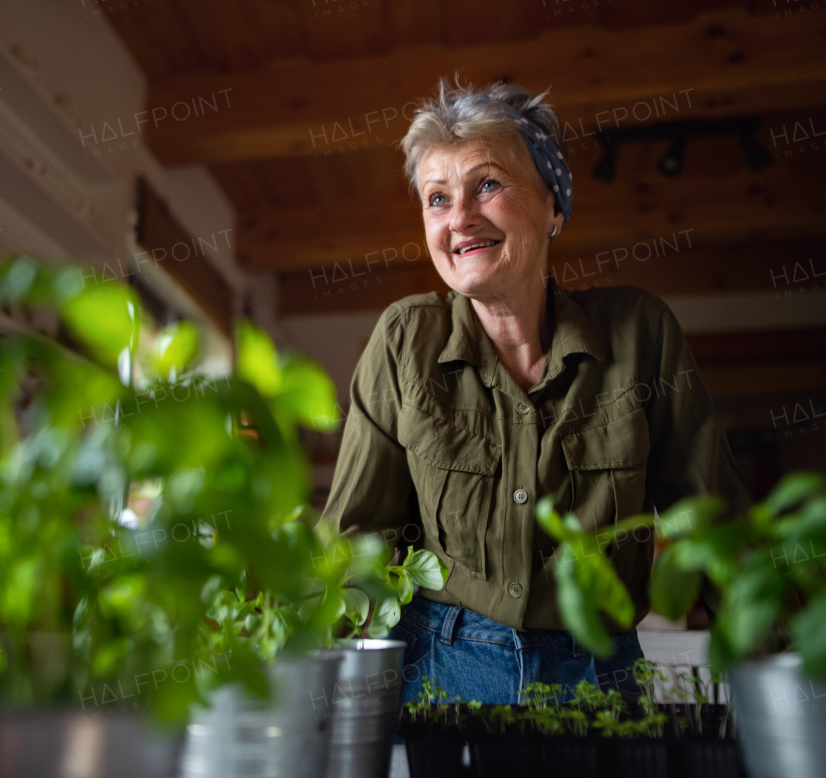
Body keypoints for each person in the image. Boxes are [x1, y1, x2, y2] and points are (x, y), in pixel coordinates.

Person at [319, 79, 751, 704]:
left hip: (598, 675)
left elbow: (718, 523)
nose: (460, 217)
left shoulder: (639, 333)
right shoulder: (404, 339)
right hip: (440, 665)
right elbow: (356, 540)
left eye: (487, 185)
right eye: (437, 199)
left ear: (554, 206)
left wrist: (801, 673)